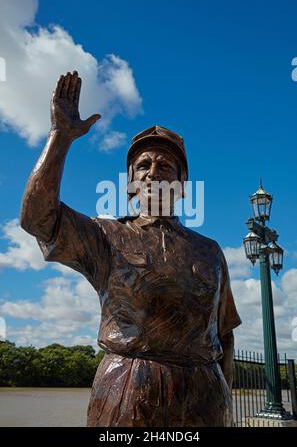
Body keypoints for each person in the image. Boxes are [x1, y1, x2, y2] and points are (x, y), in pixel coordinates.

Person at [20, 71, 241, 427]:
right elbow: (38, 219)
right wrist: (60, 137)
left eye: (165, 165)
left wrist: (224, 403)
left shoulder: (210, 252)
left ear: (183, 186)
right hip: (127, 390)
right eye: (143, 166)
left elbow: (225, 334)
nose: (153, 171)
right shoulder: (106, 235)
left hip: (205, 396)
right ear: (130, 186)